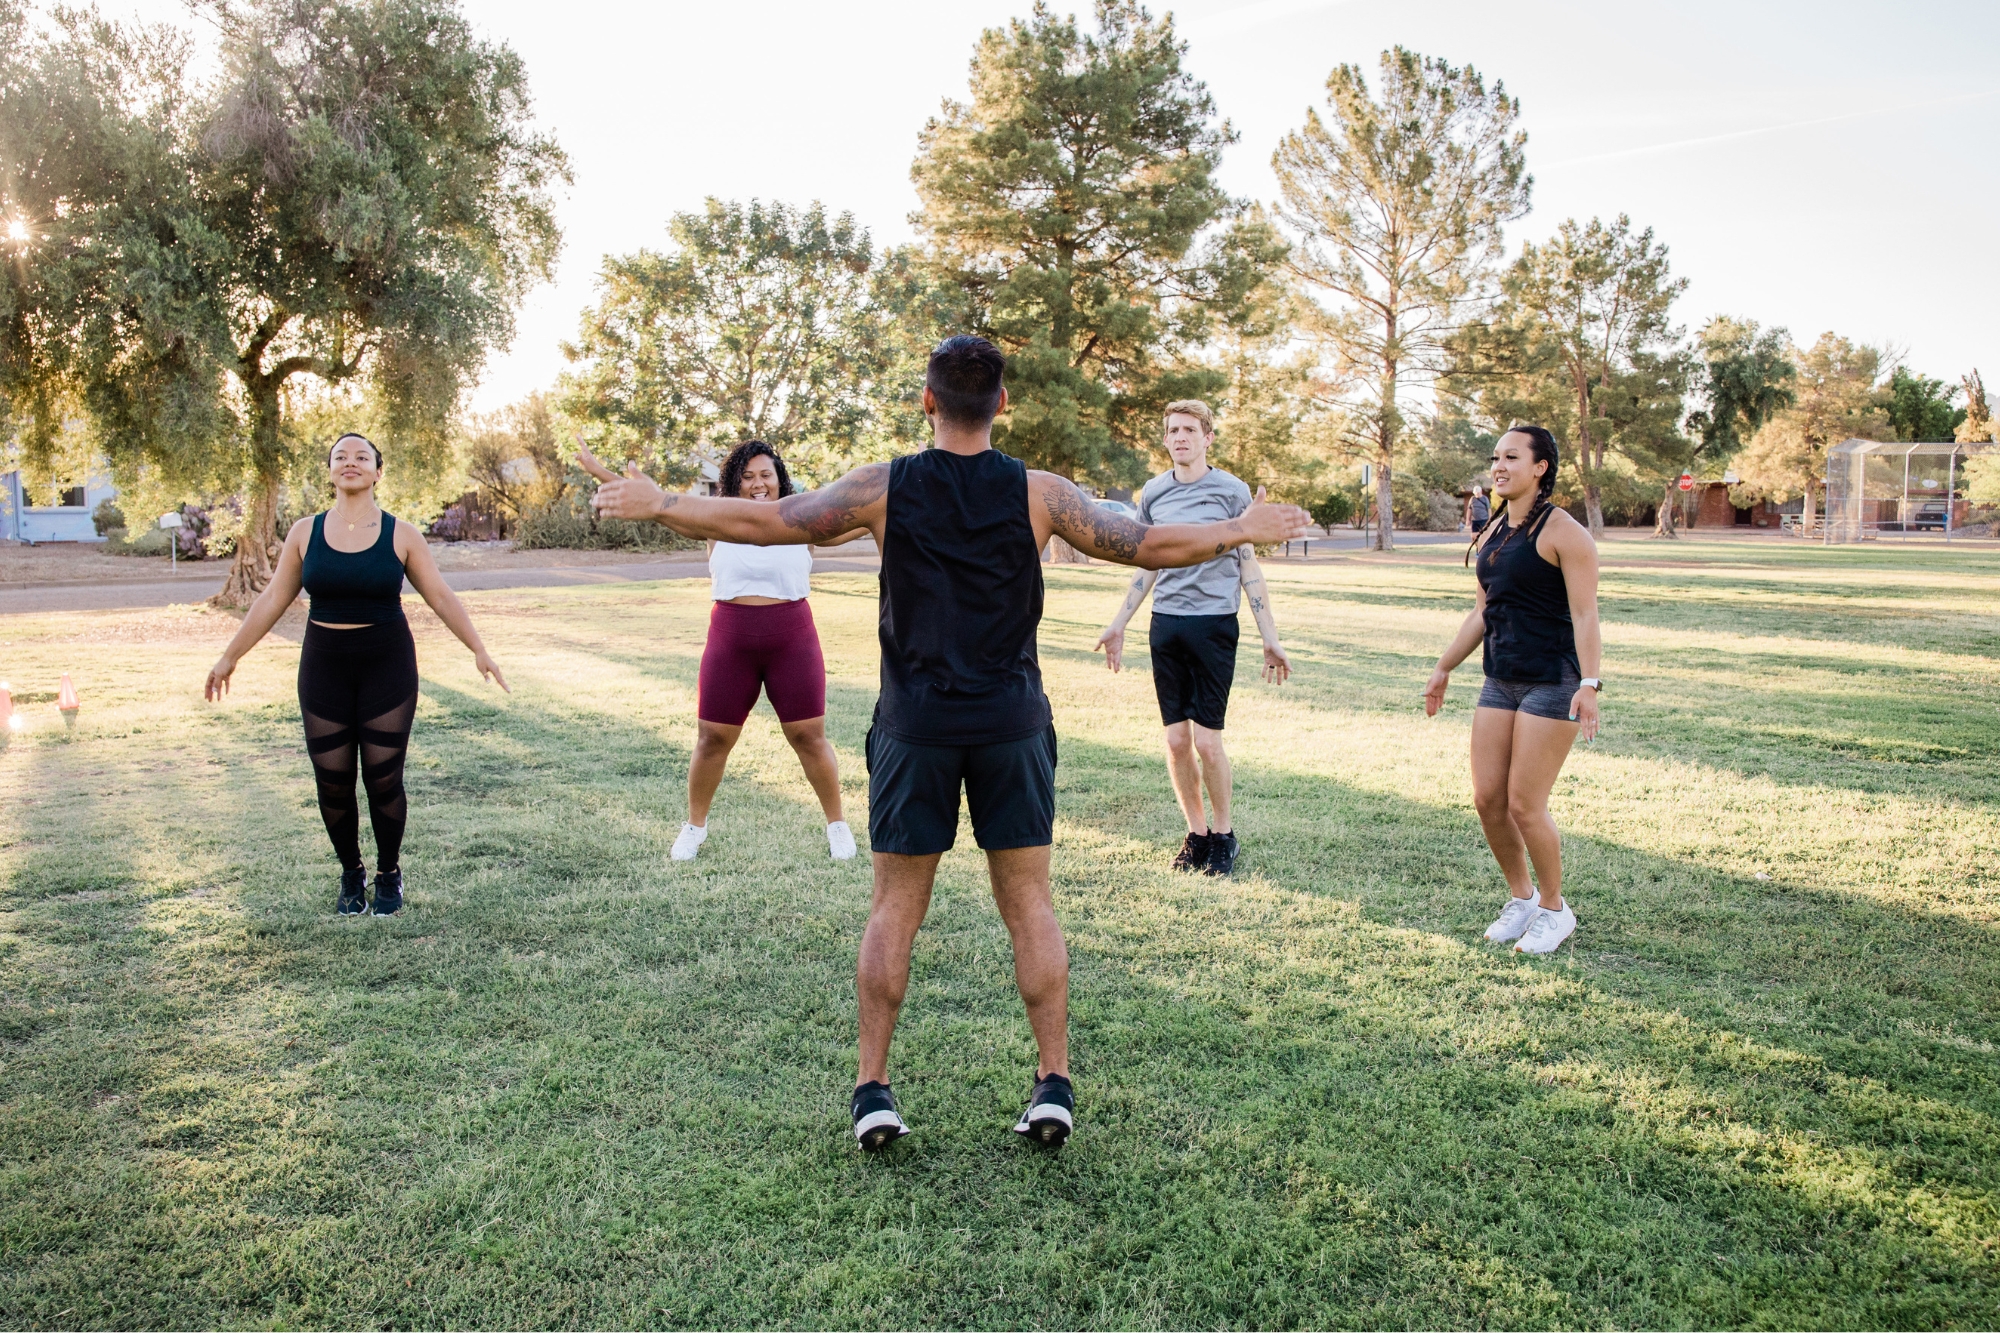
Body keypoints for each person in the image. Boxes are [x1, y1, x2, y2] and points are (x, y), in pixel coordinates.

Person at [582, 336, 1310, 1152]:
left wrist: (661, 502)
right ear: (1002, 403)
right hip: (1012, 726)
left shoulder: (882, 487)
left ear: (928, 401)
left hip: (915, 729)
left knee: (895, 906)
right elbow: (1144, 543)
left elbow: (769, 520)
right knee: (1029, 902)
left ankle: (872, 1090)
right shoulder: (1040, 493)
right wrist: (1239, 527)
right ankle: (1054, 1081)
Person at [204, 432, 509, 915]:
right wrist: (230, 656)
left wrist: (478, 648)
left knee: (384, 779)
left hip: (387, 666)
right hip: (323, 666)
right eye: (341, 456)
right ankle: (351, 872)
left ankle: (389, 873)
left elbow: (440, 594)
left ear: (377, 472)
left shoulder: (402, 534)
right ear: (330, 471)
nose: (351, 462)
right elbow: (273, 597)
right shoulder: (304, 533)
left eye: (362, 457)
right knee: (333, 781)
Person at [1422, 426, 1601, 956]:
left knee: (1525, 804)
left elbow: (1586, 614)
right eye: (1496, 457)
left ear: (1540, 467)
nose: (1499, 466)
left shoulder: (1564, 532)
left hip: (1554, 680)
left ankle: (1554, 909)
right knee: (1487, 800)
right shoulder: (1493, 532)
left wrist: (1590, 684)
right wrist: (1444, 667)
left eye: (1512, 457)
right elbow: (1483, 612)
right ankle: (1521, 899)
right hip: (1500, 678)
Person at [1092, 400, 1290, 877]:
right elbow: (1148, 563)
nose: (1180, 437)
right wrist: (1119, 622)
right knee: (1176, 740)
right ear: (1165, 439)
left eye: (1189, 430)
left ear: (1207, 438)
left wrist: (1270, 636)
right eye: (1173, 430)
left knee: (1207, 741)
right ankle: (1197, 835)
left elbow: (1248, 565)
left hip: (1214, 625)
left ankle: (1223, 836)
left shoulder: (1231, 490)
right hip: (1167, 624)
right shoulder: (1154, 492)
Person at [673, 438, 867, 864]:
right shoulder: (719, 519)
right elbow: (669, 512)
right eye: (747, 477)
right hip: (730, 638)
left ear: (780, 479)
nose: (757, 484)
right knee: (712, 739)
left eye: (765, 475)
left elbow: (858, 522)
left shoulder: (801, 519)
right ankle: (694, 828)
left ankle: (837, 825)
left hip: (792, 637)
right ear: (734, 483)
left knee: (809, 737)